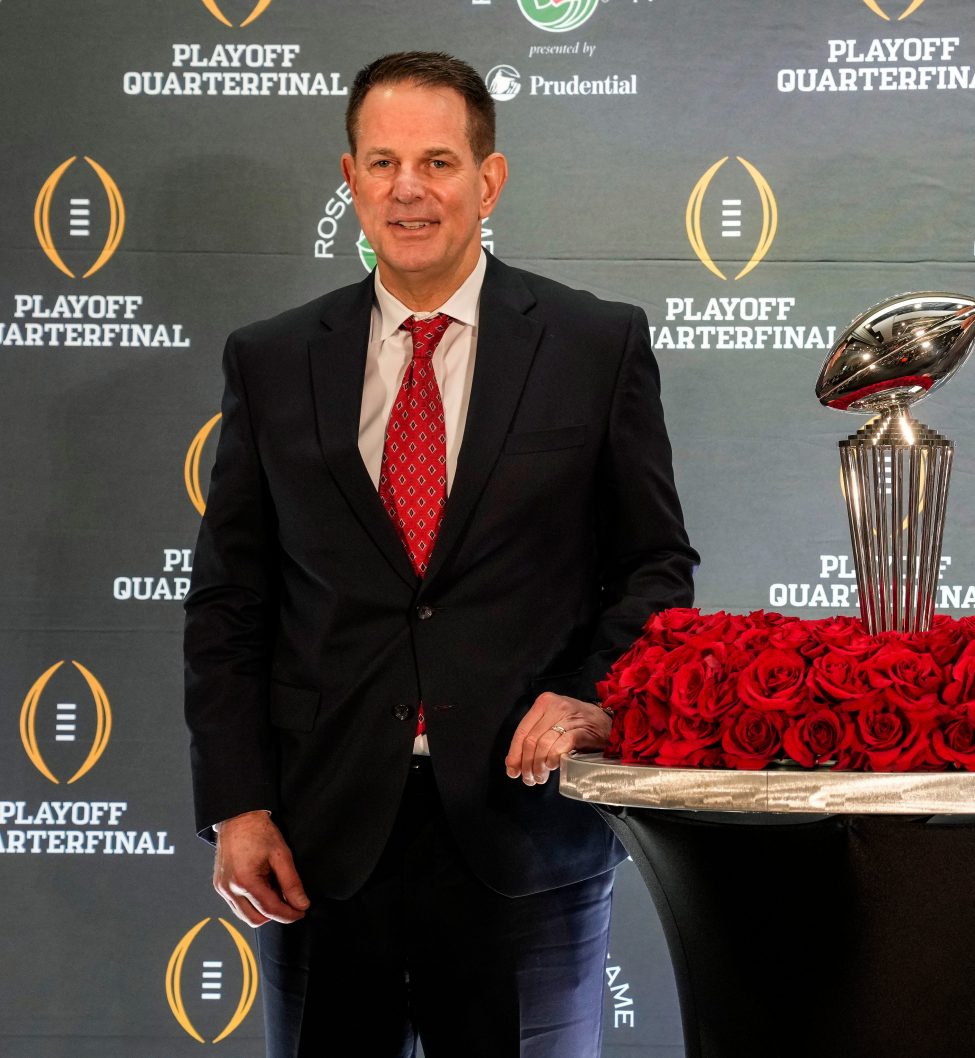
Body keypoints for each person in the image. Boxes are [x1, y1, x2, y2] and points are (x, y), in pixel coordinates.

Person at [183, 51, 696, 1056]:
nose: (408, 188)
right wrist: (237, 803)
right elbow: (231, 598)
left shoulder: (594, 344)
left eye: (437, 161)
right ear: (350, 180)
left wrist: (592, 692)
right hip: (323, 839)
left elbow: (655, 568)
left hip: (524, 833)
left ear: (488, 179)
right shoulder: (272, 358)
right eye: (381, 162)